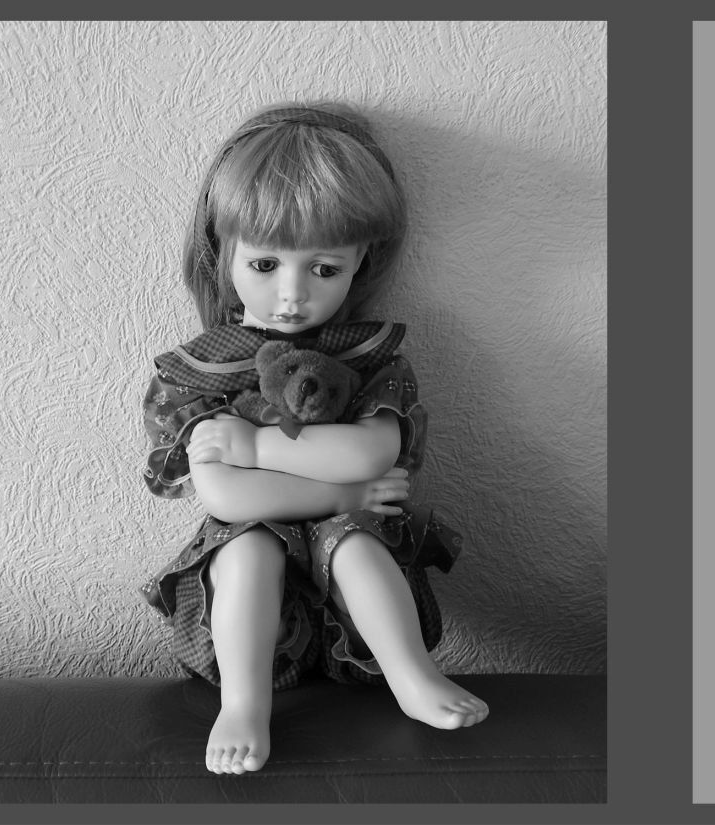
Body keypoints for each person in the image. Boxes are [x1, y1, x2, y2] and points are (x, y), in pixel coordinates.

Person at [139, 102, 488, 775]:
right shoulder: (203, 369)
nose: (292, 294)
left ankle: (412, 677)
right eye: (265, 263)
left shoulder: (369, 359)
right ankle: (244, 705)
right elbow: (226, 497)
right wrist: (347, 490)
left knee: (353, 541)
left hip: (351, 595)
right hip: (256, 596)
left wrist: (256, 448)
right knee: (247, 547)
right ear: (222, 252)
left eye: (324, 269)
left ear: (362, 262)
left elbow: (372, 450)